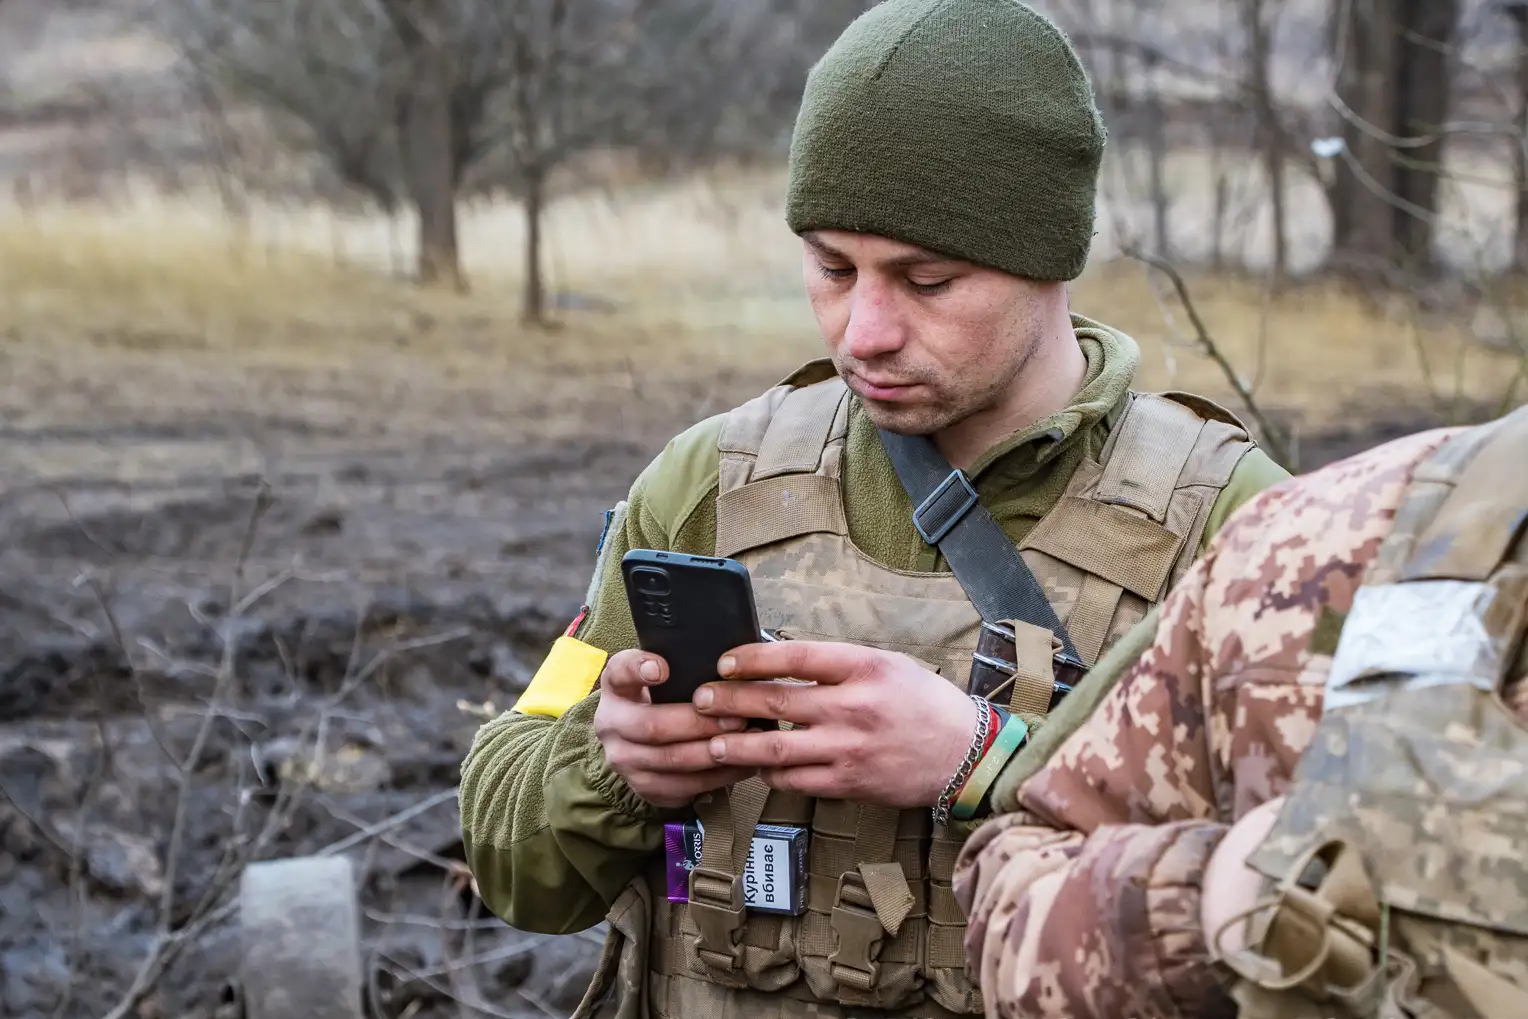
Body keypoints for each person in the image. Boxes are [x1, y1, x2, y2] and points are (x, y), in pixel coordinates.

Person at [459, 1, 1289, 1016]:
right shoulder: (705, 484)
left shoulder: (1236, 522)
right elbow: (515, 863)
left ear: (1048, 258)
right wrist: (615, 760)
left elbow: (1330, 890)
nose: (865, 330)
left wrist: (986, 758)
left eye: (926, 278)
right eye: (831, 267)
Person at [952, 401, 1528, 1019]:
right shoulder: (1318, 545)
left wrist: (982, 755)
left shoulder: (1220, 484)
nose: (869, 337)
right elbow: (1021, 901)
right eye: (837, 294)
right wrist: (1216, 893)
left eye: (931, 293)